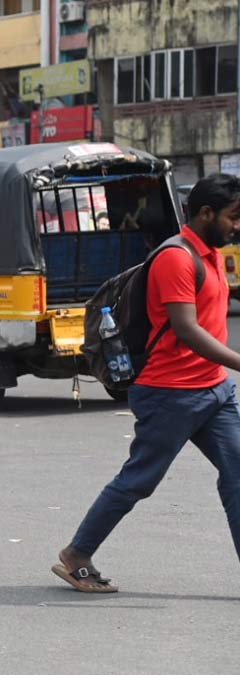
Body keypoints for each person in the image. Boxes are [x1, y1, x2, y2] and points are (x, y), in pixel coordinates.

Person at [52, 174, 240, 594]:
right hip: (171, 394)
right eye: (233, 216)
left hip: (214, 390)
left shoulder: (211, 254)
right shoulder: (177, 258)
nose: (237, 225)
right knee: (140, 479)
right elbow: (187, 329)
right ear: (206, 213)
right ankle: (77, 553)